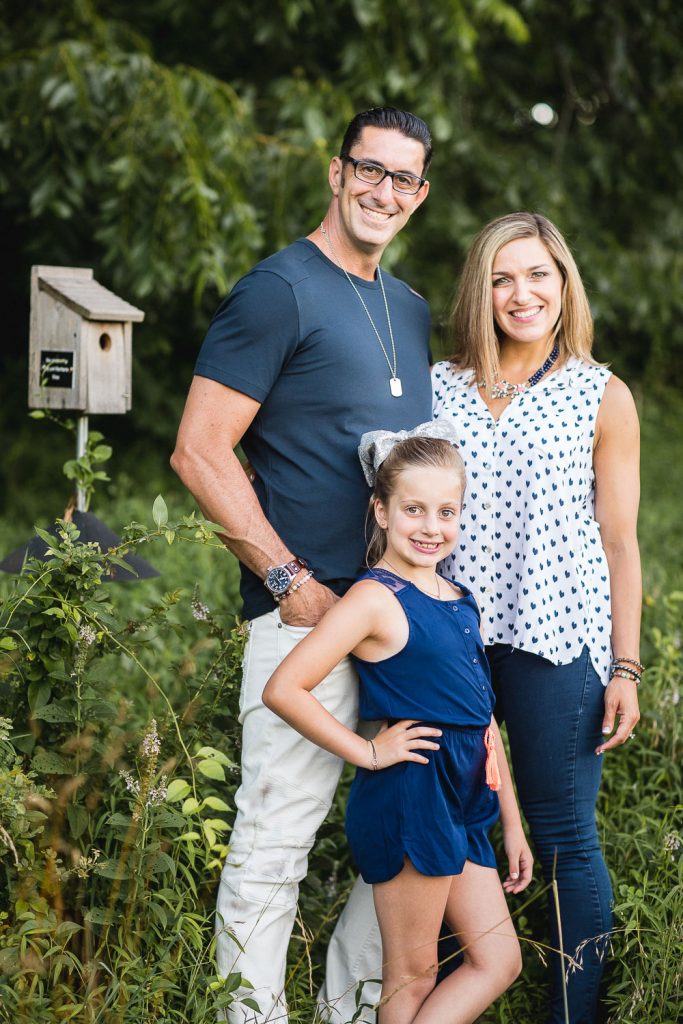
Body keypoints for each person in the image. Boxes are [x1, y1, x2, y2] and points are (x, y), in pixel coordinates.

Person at [170, 106, 434, 1023]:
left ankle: (352, 1012)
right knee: (275, 842)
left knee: (406, 837)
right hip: (307, 624)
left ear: (420, 194)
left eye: (403, 178)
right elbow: (201, 450)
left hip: (399, 624)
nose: (383, 191)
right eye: (370, 170)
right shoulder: (277, 289)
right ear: (336, 172)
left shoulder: (408, 306)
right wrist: (288, 581)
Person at [429, 212, 642, 1023]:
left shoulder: (599, 393)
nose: (521, 294)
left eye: (538, 276)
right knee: (453, 824)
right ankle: (449, 996)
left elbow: (620, 542)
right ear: (479, 291)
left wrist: (625, 666)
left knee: (560, 835)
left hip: (558, 638)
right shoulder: (436, 384)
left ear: (563, 286)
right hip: (448, 642)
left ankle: (570, 1011)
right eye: (501, 278)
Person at [263, 427, 533, 1024]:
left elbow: (483, 720)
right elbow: (284, 689)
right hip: (414, 791)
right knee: (411, 978)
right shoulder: (373, 598)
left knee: (498, 960)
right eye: (414, 509)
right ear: (381, 511)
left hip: (468, 799)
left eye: (446, 512)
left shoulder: (459, 597)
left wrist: (511, 823)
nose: (431, 527)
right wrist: (370, 753)